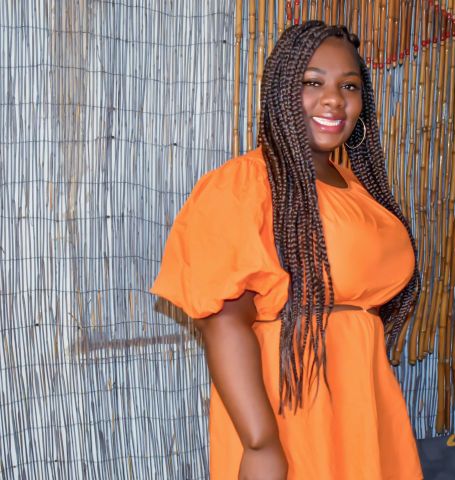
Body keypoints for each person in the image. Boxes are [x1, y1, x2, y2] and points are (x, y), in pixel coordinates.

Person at [151, 21, 423, 480]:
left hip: (364, 402)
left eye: (349, 86)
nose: (334, 99)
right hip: (291, 410)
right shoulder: (245, 184)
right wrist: (260, 443)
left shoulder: (359, 187)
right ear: (281, 91)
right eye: (312, 82)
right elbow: (223, 321)